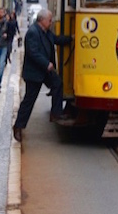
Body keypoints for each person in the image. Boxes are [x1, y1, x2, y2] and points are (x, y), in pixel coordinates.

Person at [12, 8, 73, 144]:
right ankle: (18, 126)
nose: (51, 22)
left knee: (57, 83)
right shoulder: (33, 32)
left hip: (45, 71)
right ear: (42, 20)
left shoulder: (45, 32)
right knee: (29, 101)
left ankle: (55, 113)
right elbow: (33, 53)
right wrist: (46, 64)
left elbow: (56, 39)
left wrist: (71, 38)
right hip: (35, 72)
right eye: (49, 20)